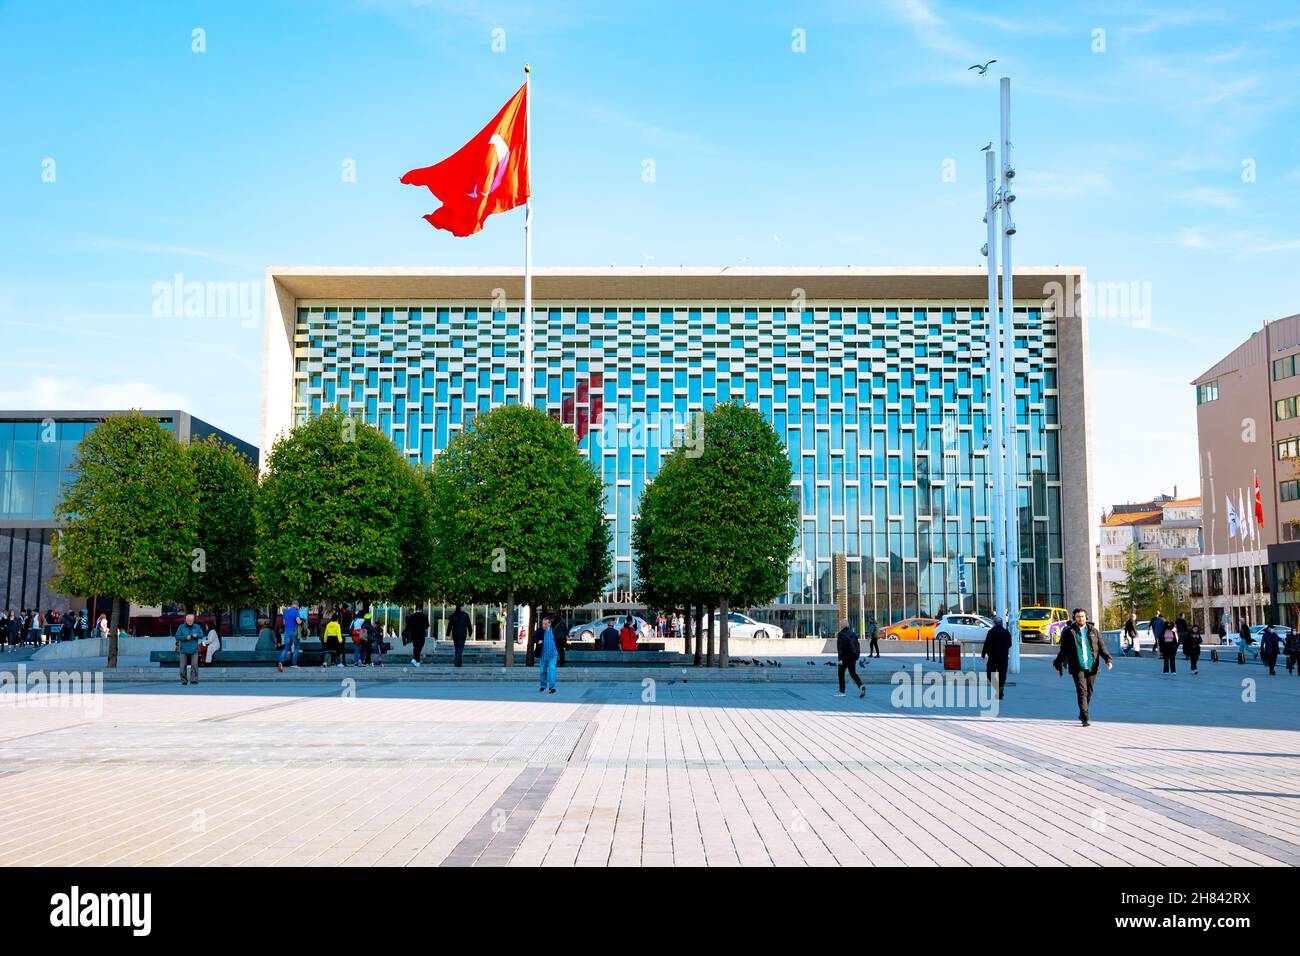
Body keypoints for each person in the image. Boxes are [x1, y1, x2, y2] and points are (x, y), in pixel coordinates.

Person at [1053, 608, 1112, 727]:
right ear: (1074, 618)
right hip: (1077, 666)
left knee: (1089, 691)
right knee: (1082, 691)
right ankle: (1085, 716)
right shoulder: (1069, 632)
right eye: (1078, 616)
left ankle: (1082, 712)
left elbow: (1101, 647)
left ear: (1086, 617)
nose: (1081, 618)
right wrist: (1058, 664)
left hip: (1092, 665)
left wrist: (1108, 659)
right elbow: (1063, 651)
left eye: (1083, 616)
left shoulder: (1093, 631)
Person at [981, 616, 1012, 700]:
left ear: (994, 623)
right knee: (1002, 674)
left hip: (993, 657)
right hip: (1003, 657)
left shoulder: (991, 632)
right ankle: (1000, 688)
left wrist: (983, 655)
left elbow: (987, 643)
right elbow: (1010, 644)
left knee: (990, 673)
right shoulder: (1006, 632)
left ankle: (997, 688)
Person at [835, 619, 865, 699]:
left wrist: (840, 659)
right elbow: (857, 645)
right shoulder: (853, 634)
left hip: (844, 657)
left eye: (840, 624)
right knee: (853, 673)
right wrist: (857, 656)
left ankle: (842, 692)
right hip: (852, 657)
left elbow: (840, 648)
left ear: (842, 626)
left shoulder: (841, 634)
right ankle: (861, 685)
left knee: (841, 674)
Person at [174, 612, 205, 686]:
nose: (190, 622)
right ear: (186, 620)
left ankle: (194, 680)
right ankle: (184, 680)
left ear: (193, 620)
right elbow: (177, 636)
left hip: (194, 649)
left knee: (194, 665)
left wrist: (196, 635)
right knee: (182, 666)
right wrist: (185, 637)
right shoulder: (181, 627)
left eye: (191, 621)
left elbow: (202, 635)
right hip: (184, 649)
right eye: (189, 621)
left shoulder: (197, 626)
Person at [532, 614, 560, 694]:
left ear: (549, 623)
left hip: (553, 654)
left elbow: (558, 641)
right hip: (543, 654)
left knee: (552, 669)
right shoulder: (540, 630)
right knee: (542, 671)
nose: (543, 625)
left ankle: (552, 687)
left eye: (545, 624)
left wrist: (559, 652)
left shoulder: (554, 630)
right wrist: (537, 641)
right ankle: (543, 686)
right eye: (542, 623)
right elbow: (533, 637)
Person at [277, 600, 303, 673]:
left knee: (286, 648)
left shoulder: (286, 612)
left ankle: (281, 662)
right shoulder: (295, 611)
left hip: (287, 632)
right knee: (297, 647)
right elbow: (298, 621)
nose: (298, 607)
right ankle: (294, 664)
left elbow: (284, 622)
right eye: (298, 606)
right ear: (296, 605)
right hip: (294, 631)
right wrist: (302, 622)